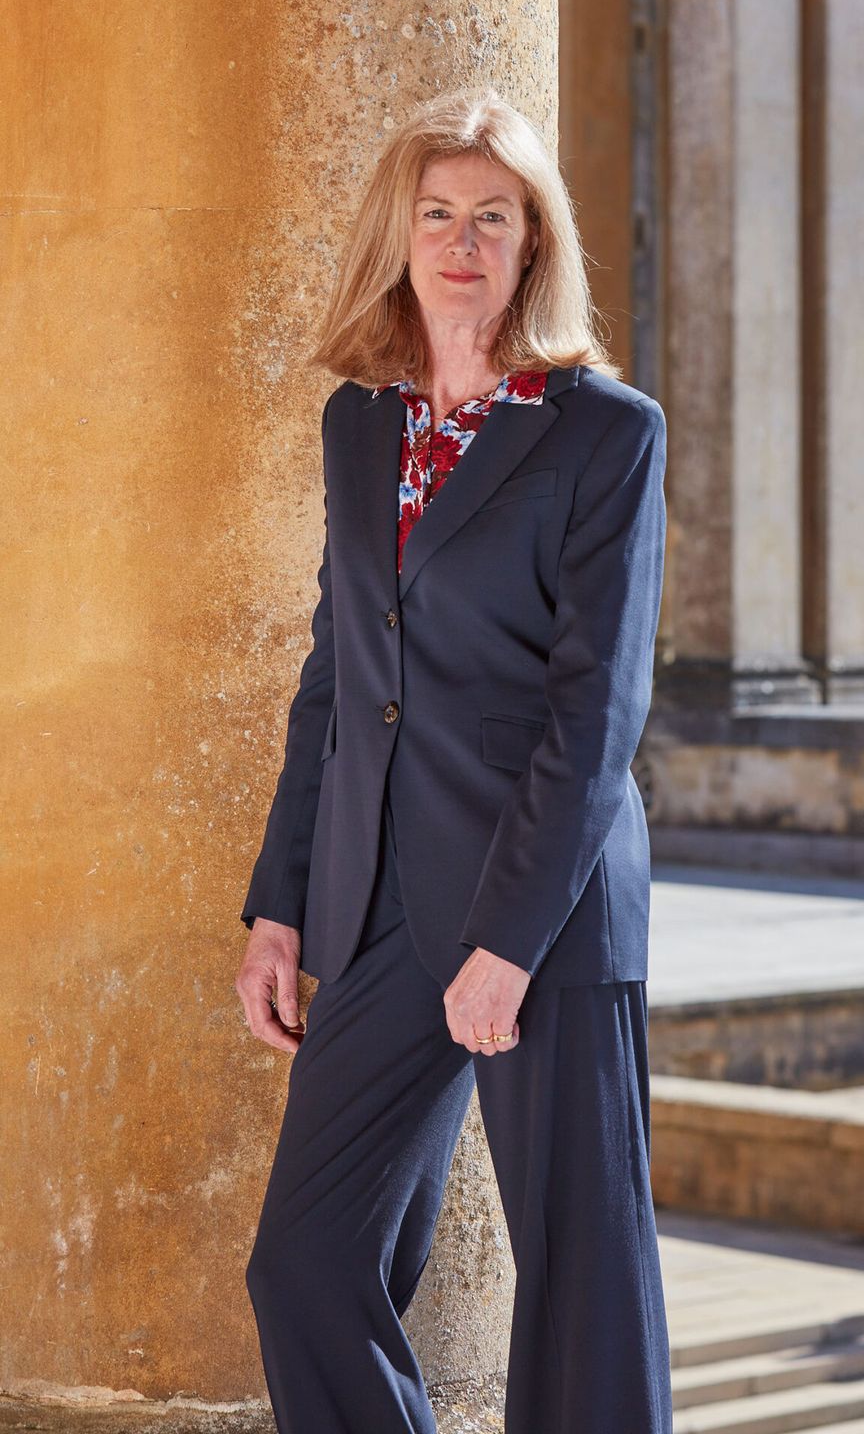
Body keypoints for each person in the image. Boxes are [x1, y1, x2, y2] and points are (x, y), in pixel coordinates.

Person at [234, 86, 673, 1434]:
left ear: (535, 241)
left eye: (495, 215)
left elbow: (594, 714)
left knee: (584, 1293)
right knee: (303, 1265)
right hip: (380, 903)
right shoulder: (362, 426)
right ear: (402, 234)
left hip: (542, 905)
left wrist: (511, 941)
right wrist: (280, 901)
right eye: (439, 214)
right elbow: (336, 677)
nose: (463, 240)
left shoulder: (606, 431)